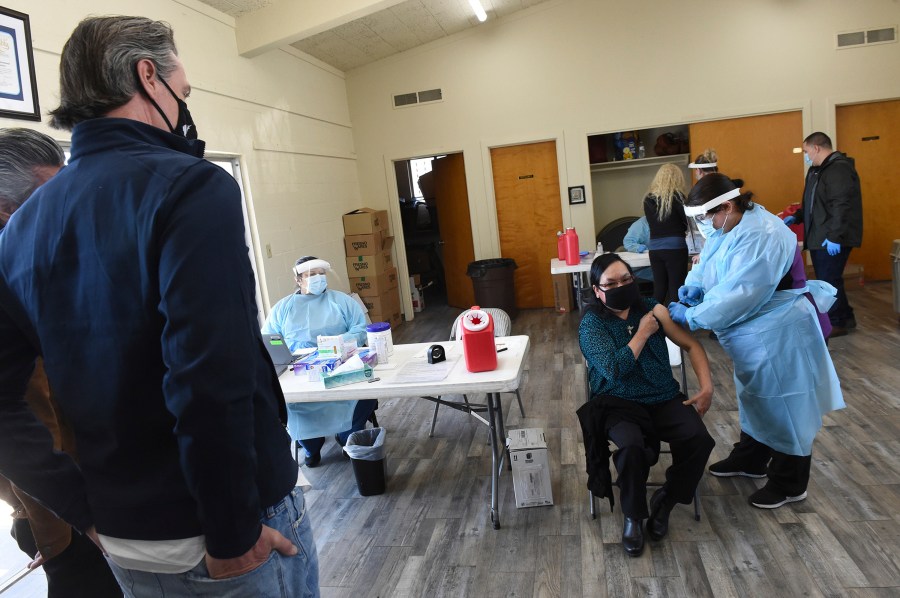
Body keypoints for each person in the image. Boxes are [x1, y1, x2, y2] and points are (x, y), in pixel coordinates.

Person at [0, 16, 319, 597]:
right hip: (223, 534)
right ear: (148, 76)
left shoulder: (21, 231)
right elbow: (207, 379)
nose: (183, 104)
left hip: (123, 537)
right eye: (184, 90)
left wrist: (83, 510)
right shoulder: (191, 186)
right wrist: (230, 535)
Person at [669, 174, 844, 509]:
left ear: (728, 205)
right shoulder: (730, 225)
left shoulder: (761, 233)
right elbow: (710, 261)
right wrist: (696, 285)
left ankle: (790, 482)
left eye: (707, 218)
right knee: (757, 398)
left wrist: (694, 316)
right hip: (755, 333)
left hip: (780, 330)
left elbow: (741, 294)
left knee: (785, 405)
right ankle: (751, 459)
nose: (706, 226)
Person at [0, 128, 122, 597]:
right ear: (6, 207)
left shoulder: (41, 251)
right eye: (46, 198)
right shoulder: (9, 272)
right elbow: (15, 415)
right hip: (59, 501)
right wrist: (77, 514)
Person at [578, 253, 714, 557]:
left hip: (662, 396)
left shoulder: (653, 309)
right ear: (597, 290)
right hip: (617, 402)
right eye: (611, 283)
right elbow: (614, 369)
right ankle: (633, 516)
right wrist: (643, 333)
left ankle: (665, 499)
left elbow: (692, 345)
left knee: (699, 439)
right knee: (630, 446)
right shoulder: (592, 325)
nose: (621, 286)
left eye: (626, 279)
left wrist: (707, 387)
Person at [262, 256, 377, 468]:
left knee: (362, 396)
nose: (318, 278)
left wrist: (337, 343)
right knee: (293, 403)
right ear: (298, 279)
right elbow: (269, 338)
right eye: (311, 275)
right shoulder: (283, 308)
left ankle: (347, 439)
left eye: (321, 273)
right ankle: (311, 447)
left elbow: (360, 330)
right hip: (300, 370)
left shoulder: (342, 301)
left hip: (342, 365)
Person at [784, 132, 862, 337]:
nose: (805, 155)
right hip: (820, 235)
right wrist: (798, 216)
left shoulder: (839, 169)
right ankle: (845, 317)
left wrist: (835, 236)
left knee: (828, 282)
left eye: (806, 151)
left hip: (831, 238)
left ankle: (837, 322)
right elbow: (812, 203)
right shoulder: (818, 170)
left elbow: (841, 205)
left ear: (816, 148)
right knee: (830, 279)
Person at [643, 163, 689, 305]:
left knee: (659, 288)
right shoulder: (678, 197)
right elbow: (687, 222)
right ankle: (675, 324)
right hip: (676, 248)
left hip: (655, 249)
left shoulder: (648, 199)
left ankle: (652, 319)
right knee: (676, 288)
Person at [621, 216, 653, 282]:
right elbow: (628, 242)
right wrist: (642, 248)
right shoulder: (642, 224)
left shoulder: (671, 221)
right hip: (643, 268)